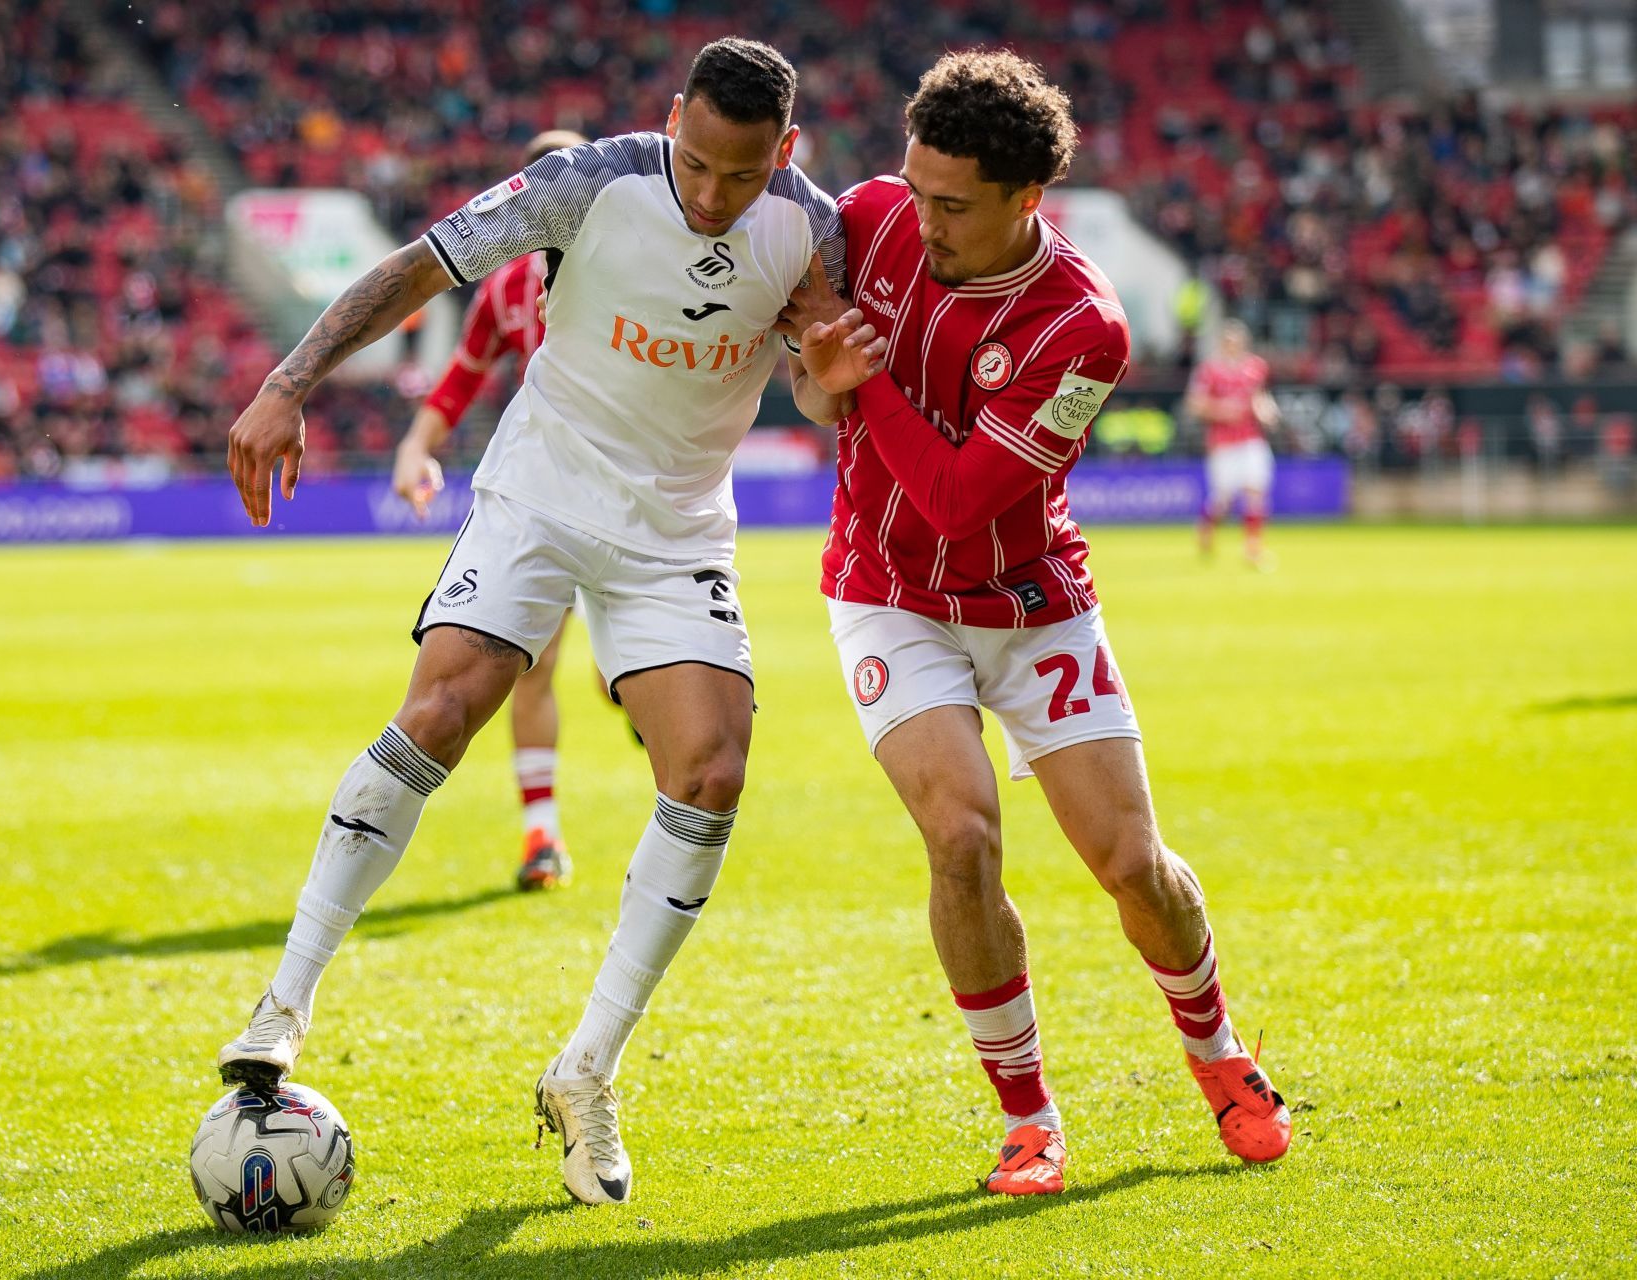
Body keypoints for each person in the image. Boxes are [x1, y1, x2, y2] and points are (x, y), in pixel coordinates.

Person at [219, 38, 846, 1207]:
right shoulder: (591, 180)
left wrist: (829, 370)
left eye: (743, 175)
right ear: (670, 122)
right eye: (698, 164)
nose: (714, 198)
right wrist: (288, 383)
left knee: (709, 771)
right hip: (544, 490)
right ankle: (285, 1002)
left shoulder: (813, 228)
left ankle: (588, 1068)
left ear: (787, 152)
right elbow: (419, 266)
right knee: (447, 708)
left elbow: (815, 384)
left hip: (675, 528)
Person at [784, 49, 1291, 1197]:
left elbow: (962, 495)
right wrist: (824, 379)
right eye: (914, 187)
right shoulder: (869, 219)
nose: (920, 218)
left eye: (950, 203)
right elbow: (818, 389)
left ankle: (1216, 1052)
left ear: (1027, 198)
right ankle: (1029, 1117)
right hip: (886, 594)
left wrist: (859, 388)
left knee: (1131, 865)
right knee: (961, 837)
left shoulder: (1085, 326)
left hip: (1028, 604)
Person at [391, 128, 589, 893]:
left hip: (646, 492)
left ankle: (630, 678)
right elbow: (457, 384)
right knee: (532, 668)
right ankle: (543, 836)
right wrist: (417, 448)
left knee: (631, 669)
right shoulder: (506, 288)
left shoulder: (638, 269)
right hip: (553, 492)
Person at [1187, 320, 1279, 567]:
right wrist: (1222, 410)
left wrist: (1266, 410)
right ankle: (1206, 533)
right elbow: (1195, 404)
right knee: (1223, 500)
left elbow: (1260, 397)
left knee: (1256, 491)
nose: (1232, 345)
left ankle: (1253, 548)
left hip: (1251, 438)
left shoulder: (1256, 367)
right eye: (1228, 341)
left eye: (1236, 341)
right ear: (1221, 344)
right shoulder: (1209, 370)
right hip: (1223, 442)